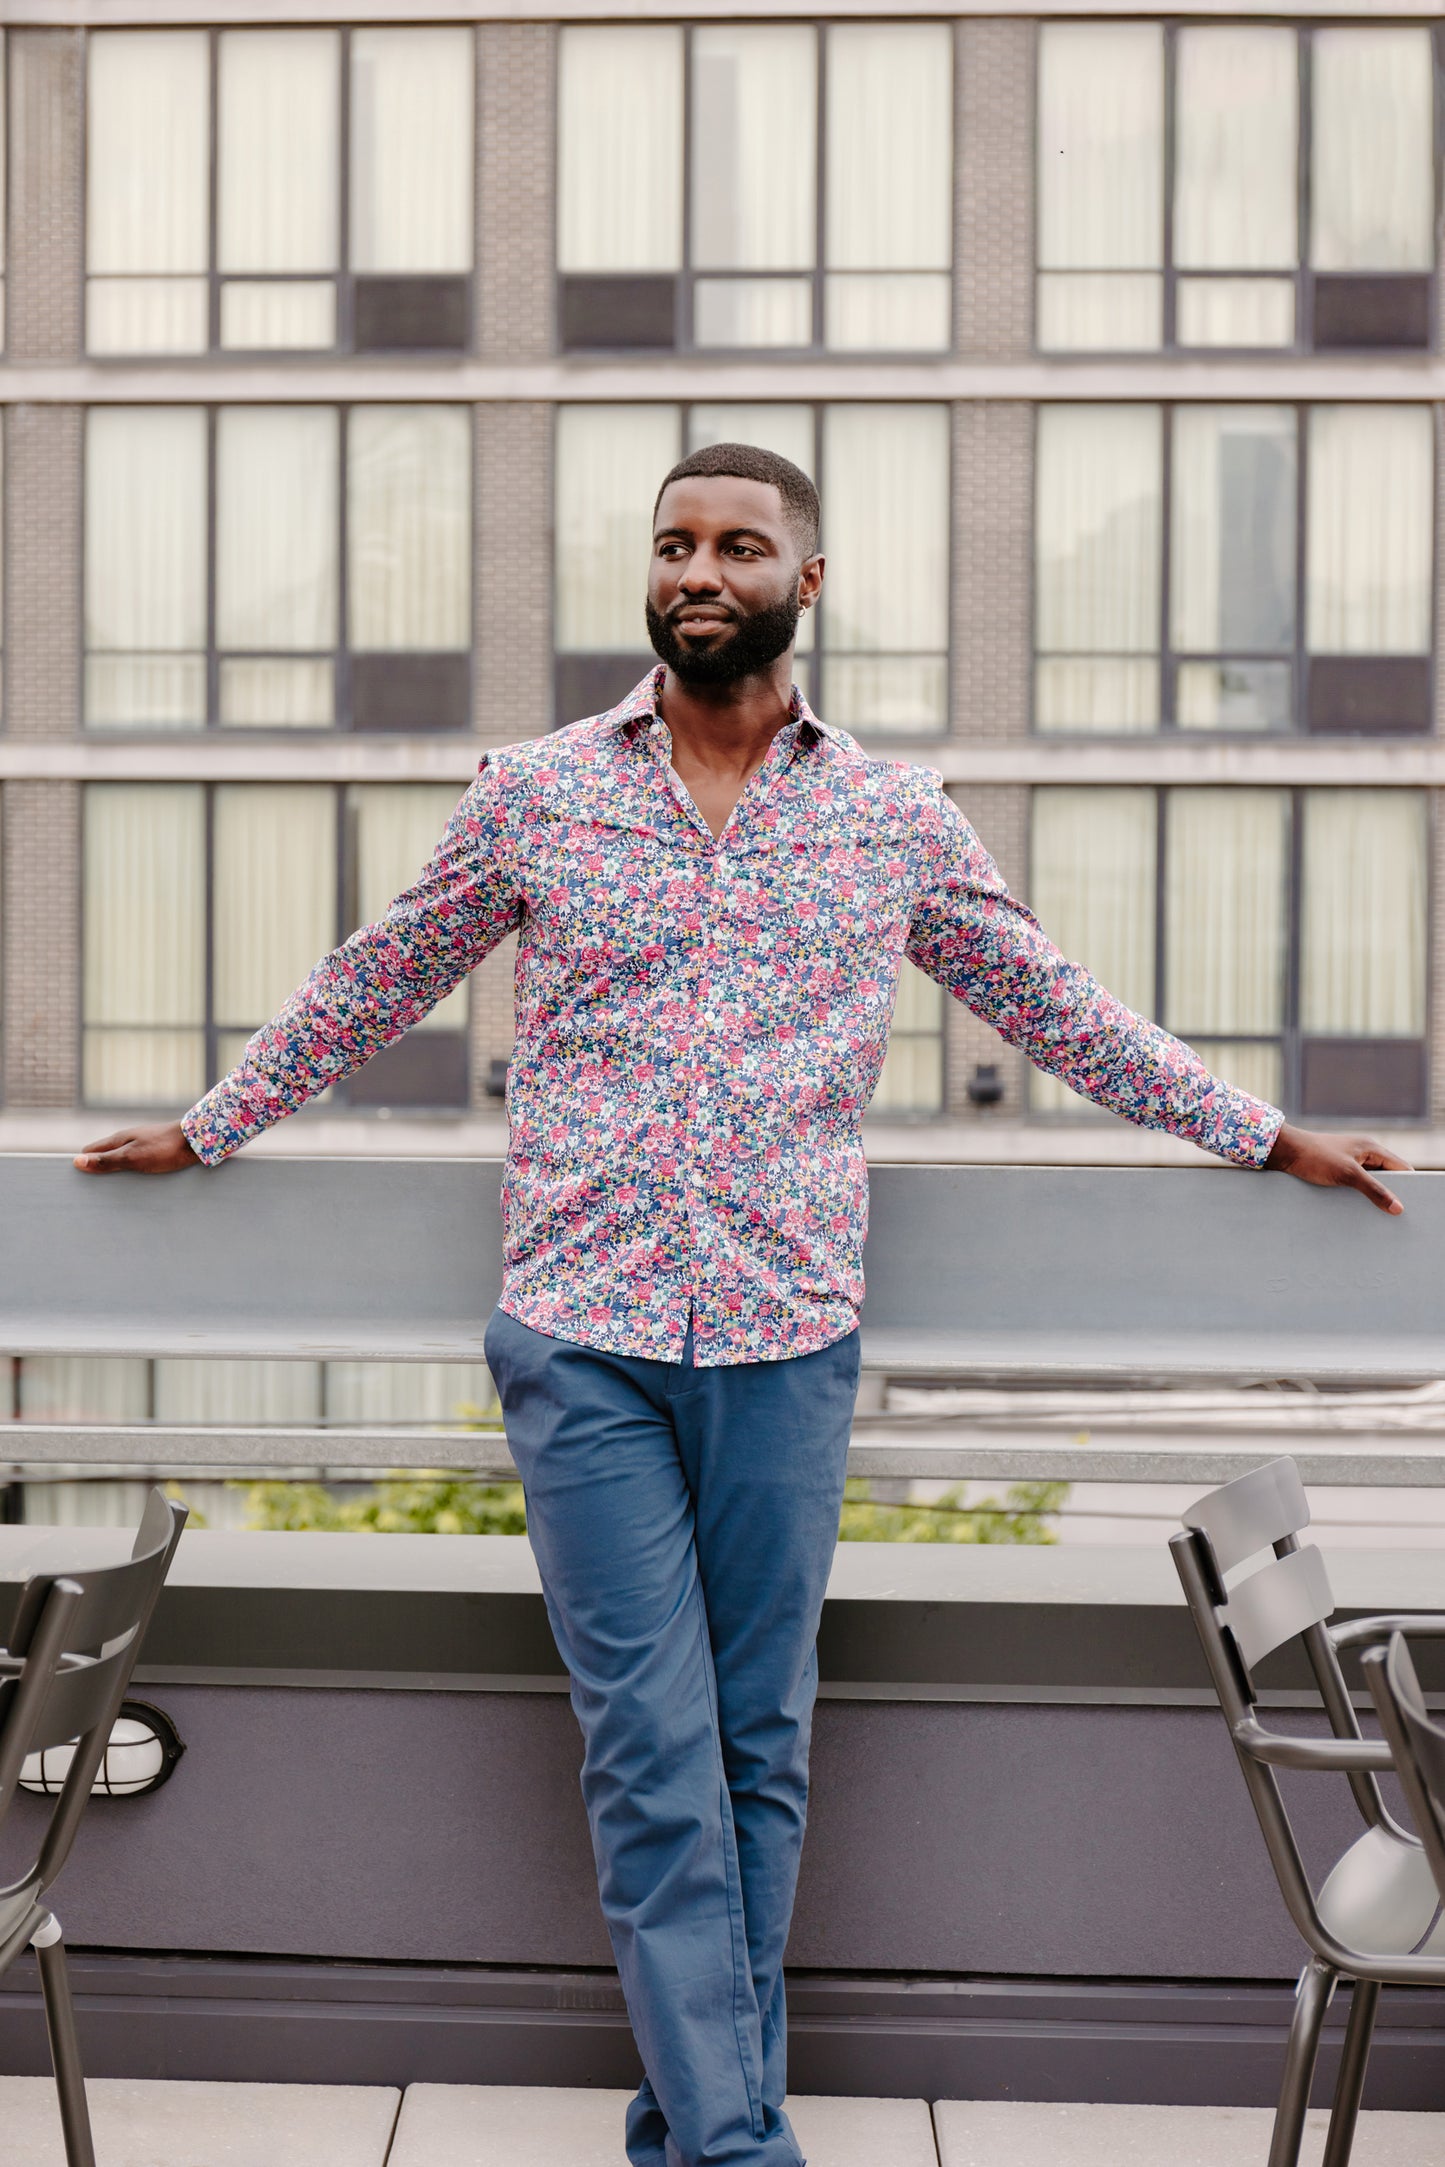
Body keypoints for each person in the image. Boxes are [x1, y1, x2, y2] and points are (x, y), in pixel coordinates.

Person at [74, 441, 1410, 2167]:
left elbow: (1059, 1008)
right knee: (650, 1754)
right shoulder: (538, 793)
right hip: (583, 1341)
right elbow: (378, 970)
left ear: (806, 581)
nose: (698, 571)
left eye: (737, 545)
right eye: (671, 546)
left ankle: (699, 2123)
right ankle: (735, 2150)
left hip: (785, 1338)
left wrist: (1261, 1134)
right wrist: (211, 1123)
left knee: (757, 1749)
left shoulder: (890, 816)